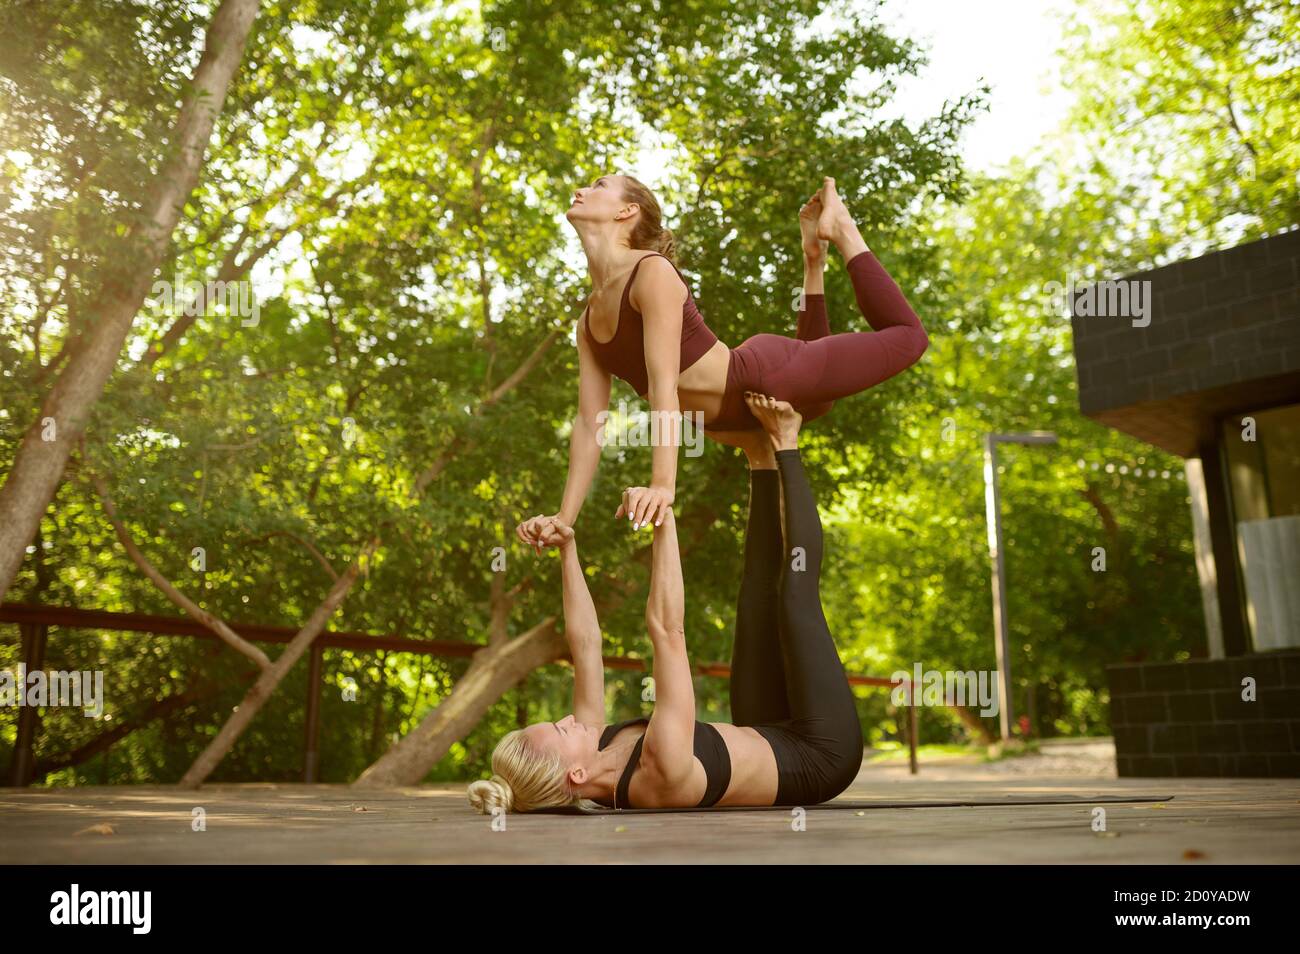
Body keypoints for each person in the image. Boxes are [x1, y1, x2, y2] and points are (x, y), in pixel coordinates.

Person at [467, 393, 863, 813]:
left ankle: (759, 457)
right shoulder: (660, 774)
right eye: (563, 731)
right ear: (576, 776)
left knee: (753, 605)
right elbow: (667, 633)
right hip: (821, 753)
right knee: (794, 600)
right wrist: (663, 520)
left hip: (764, 729)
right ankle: (786, 441)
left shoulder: (591, 748)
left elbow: (585, 644)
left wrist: (568, 549)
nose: (569, 720)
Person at [516, 173, 928, 546]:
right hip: (737, 421)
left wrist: (662, 486)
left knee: (909, 339)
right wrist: (565, 517)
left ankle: (844, 230)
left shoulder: (652, 273)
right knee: (818, 398)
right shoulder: (587, 322)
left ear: (627, 211)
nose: (581, 190)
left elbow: (663, 386)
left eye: (598, 185)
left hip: (764, 377)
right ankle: (814, 259)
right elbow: (590, 422)